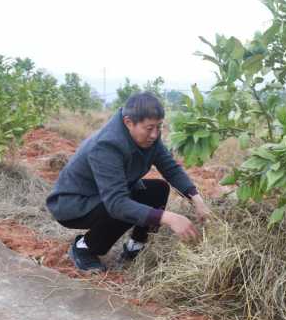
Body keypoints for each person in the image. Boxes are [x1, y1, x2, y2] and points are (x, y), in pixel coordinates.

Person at [46, 92, 210, 272]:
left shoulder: (150, 138)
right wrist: (169, 218)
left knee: (157, 189)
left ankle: (135, 245)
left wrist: (195, 198)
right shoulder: (106, 146)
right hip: (73, 205)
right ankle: (85, 247)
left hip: (101, 195)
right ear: (128, 122)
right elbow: (117, 204)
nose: (155, 134)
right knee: (124, 205)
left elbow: (170, 168)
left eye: (159, 127)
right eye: (149, 128)